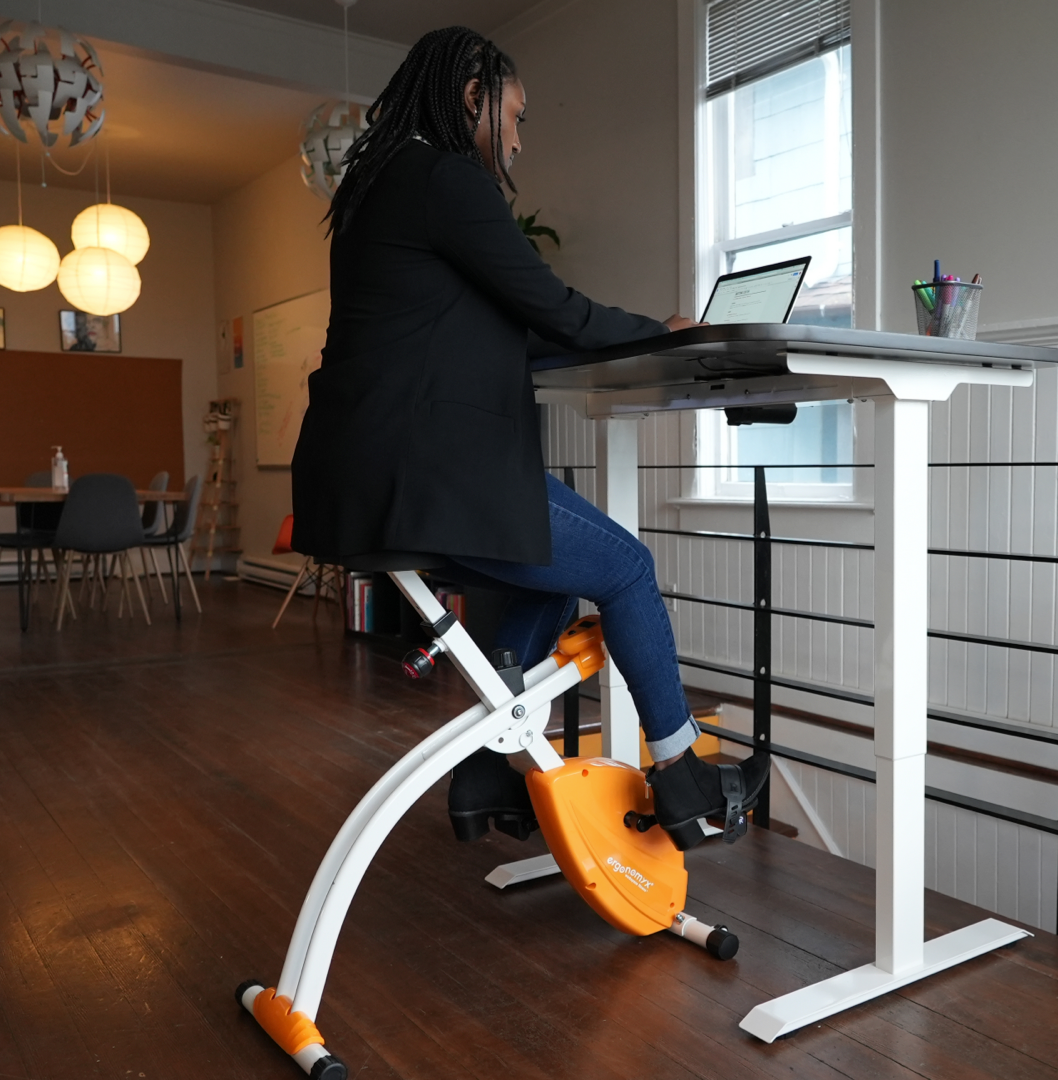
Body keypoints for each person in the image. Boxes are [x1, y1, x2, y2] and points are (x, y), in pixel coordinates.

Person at [291, 26, 769, 852]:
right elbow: (551, 305)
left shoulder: (383, 186)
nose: (517, 138)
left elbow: (498, 332)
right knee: (625, 567)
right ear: (472, 98)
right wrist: (664, 333)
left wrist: (636, 334)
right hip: (424, 472)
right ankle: (685, 777)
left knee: (552, 580)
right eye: (513, 115)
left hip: (361, 477)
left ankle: (484, 770)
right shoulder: (444, 178)